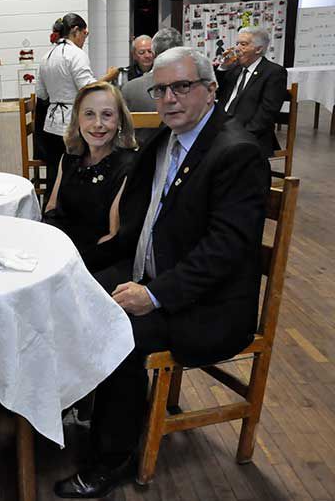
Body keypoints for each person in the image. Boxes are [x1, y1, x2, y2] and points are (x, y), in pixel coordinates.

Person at [53, 48, 270, 498]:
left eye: (182, 86)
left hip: (207, 304)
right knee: (70, 296)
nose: (169, 98)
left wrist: (152, 295)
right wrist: (75, 268)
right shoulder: (166, 140)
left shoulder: (238, 152)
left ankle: (111, 460)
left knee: (115, 330)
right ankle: (83, 405)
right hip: (156, 274)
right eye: (161, 89)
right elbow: (135, 226)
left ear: (211, 90)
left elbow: (224, 251)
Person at [43, 81, 137, 273]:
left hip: (93, 264)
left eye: (107, 115)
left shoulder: (128, 166)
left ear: (120, 120)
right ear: (77, 119)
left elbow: (112, 237)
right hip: (57, 252)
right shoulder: (69, 157)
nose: (98, 124)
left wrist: (67, 267)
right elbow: (51, 208)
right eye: (89, 114)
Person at [35, 13, 119, 200]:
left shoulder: (46, 56)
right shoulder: (76, 54)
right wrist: (109, 76)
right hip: (71, 125)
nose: (84, 38)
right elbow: (88, 89)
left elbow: (41, 94)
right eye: (85, 34)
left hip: (50, 125)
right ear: (75, 31)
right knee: (74, 170)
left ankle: (50, 207)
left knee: (53, 172)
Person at [215, 26, 288, 157]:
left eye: (243, 44)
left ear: (258, 49)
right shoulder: (234, 68)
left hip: (249, 135)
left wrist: (240, 136)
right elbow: (216, 93)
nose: (237, 48)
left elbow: (266, 114)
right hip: (222, 128)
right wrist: (223, 67)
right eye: (237, 43)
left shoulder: (274, 73)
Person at [122, 27, 183, 113]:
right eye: (141, 52)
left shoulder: (129, 89)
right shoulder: (195, 86)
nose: (147, 55)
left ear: (153, 53)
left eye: (149, 51)